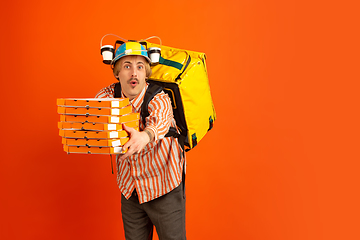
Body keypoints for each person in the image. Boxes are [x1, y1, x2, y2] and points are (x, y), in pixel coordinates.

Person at [95, 41, 186, 240]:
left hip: (164, 186)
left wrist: (145, 136)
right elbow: (95, 107)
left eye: (140, 67)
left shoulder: (159, 98)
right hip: (131, 189)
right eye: (127, 66)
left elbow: (161, 120)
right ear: (117, 73)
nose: (134, 73)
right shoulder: (110, 94)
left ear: (146, 74)